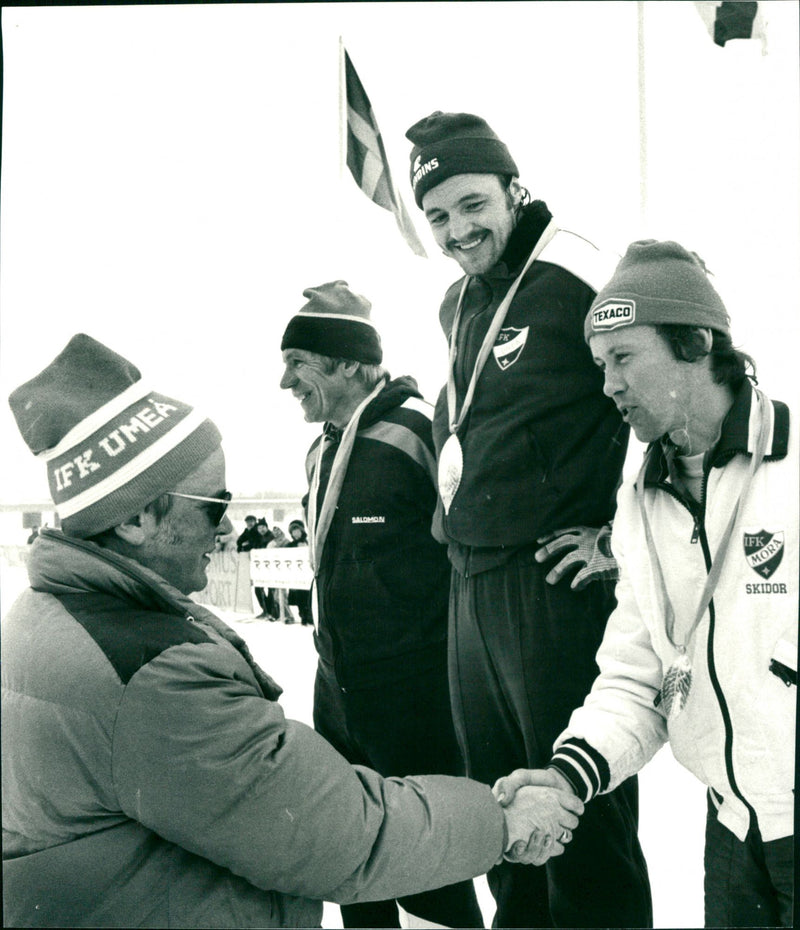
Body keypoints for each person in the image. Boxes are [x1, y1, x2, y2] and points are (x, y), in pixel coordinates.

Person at [2, 333, 584, 929]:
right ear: (134, 519)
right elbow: (336, 836)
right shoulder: (150, 673)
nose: (226, 532)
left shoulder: (47, 615)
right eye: (213, 506)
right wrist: (502, 819)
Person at [494, 240, 797, 928]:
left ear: (696, 344)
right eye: (601, 365)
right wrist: (566, 776)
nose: (608, 385)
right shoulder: (640, 502)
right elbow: (638, 675)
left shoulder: (794, 465)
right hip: (734, 829)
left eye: (624, 358)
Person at [405, 110, 653, 928]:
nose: (457, 229)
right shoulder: (457, 302)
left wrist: (623, 538)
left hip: (550, 584)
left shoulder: (575, 272)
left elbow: (660, 392)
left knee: (575, 811)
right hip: (471, 582)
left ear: (514, 189)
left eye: (473, 204)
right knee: (499, 806)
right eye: (438, 216)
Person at [279, 281, 486, 929]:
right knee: (353, 865)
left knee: (429, 872)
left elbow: (474, 551)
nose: (284, 382)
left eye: (297, 364)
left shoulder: (419, 428)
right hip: (339, 691)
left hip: (415, 694)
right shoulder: (320, 451)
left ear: (346, 363)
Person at [285, 519, 314, 626]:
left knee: (309, 596)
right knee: (300, 597)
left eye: (297, 531)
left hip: (309, 574)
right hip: (297, 576)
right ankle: (303, 616)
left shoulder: (309, 542)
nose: (296, 533)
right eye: (293, 532)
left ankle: (310, 616)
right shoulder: (290, 545)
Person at [252, 517, 279, 620]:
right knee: (258, 589)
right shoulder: (257, 538)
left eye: (263, 527)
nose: (261, 530)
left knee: (272, 590)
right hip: (260, 568)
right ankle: (265, 610)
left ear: (267, 527)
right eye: (259, 528)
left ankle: (273, 612)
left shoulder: (272, 537)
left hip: (272, 568)